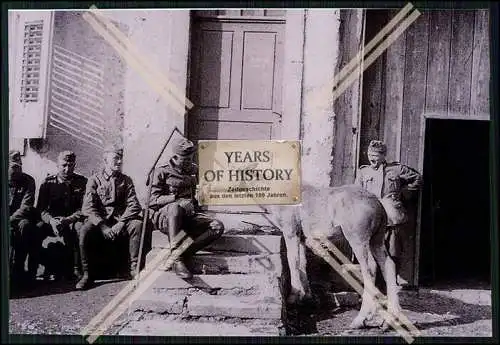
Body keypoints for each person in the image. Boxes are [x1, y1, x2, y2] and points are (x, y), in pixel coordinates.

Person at [148, 137, 224, 279]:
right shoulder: (161, 172)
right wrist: (176, 199)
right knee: (175, 208)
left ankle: (182, 253)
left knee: (217, 226)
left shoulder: (194, 170)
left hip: (188, 217)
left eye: (191, 158)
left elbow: (196, 199)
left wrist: (200, 196)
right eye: (185, 160)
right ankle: (177, 260)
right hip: (168, 219)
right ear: (175, 157)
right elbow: (151, 201)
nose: (189, 162)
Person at [77, 143, 144, 290]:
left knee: (137, 225)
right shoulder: (94, 180)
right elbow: (88, 207)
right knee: (84, 230)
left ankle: (134, 268)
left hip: (120, 219)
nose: (119, 162)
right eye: (115, 158)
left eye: (121, 158)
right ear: (105, 160)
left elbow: (134, 204)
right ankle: (87, 274)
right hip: (100, 220)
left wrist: (121, 223)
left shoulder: (126, 180)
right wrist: (102, 226)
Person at [355, 140, 422, 283]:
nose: (371, 157)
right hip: (370, 220)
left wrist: (403, 193)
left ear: (383, 155)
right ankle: (372, 289)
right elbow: (356, 193)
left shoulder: (396, 170)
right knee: (369, 254)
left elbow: (417, 179)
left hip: (391, 218)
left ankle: (389, 286)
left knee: (392, 252)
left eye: (376, 155)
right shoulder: (363, 171)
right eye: (370, 154)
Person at [36, 150, 87, 281]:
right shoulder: (48, 183)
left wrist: (69, 220)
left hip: (72, 220)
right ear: (57, 165)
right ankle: (34, 268)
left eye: (70, 165)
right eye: (64, 165)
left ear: (74, 165)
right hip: (52, 221)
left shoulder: (82, 182)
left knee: (80, 228)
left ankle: (76, 268)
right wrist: (51, 221)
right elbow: (41, 209)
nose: (67, 169)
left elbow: (84, 209)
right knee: (35, 230)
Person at [8, 150, 39, 286]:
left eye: (19, 166)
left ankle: (19, 268)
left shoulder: (28, 180)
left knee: (26, 226)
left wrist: (9, 220)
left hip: (20, 218)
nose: (16, 170)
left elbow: (26, 206)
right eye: (13, 167)